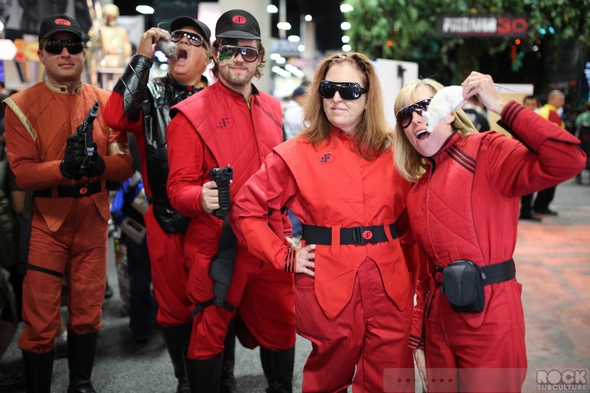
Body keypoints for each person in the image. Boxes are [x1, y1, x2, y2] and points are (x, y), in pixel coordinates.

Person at [231, 52, 418, 392]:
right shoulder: (296, 152)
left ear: (368, 95)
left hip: (390, 285)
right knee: (327, 378)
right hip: (329, 282)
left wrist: (415, 280)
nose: (336, 98)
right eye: (329, 88)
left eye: (349, 90)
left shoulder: (396, 149)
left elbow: (412, 225)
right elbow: (245, 209)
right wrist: (284, 255)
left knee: (392, 380)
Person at [392, 72, 586, 392]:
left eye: (424, 107)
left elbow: (568, 158)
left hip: (491, 318)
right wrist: (419, 337)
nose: (415, 120)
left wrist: (500, 105)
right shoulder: (416, 190)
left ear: (450, 110)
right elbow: (425, 275)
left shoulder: (487, 151)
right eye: (404, 115)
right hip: (438, 323)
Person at [166, 9, 296, 393]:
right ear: (215, 53)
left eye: (249, 51)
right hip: (217, 242)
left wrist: (287, 230)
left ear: (258, 59)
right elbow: (177, 190)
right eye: (229, 50)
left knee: (282, 324)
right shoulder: (188, 116)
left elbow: (283, 176)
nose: (239, 58)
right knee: (208, 330)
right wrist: (199, 197)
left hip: (271, 240)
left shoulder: (272, 108)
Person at [2, 13, 132, 392]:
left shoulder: (107, 103)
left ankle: (81, 382)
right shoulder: (20, 106)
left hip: (92, 218)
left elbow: (124, 166)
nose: (64, 52)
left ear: (83, 52)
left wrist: (99, 164)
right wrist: (65, 167)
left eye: (72, 45)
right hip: (46, 221)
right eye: (55, 45)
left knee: (89, 310)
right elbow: (23, 173)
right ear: (41, 53)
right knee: (40, 316)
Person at [102, 15, 213, 393]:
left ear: (209, 55)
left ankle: (220, 377)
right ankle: (184, 380)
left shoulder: (218, 96)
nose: (181, 41)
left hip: (211, 220)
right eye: (177, 35)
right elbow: (115, 116)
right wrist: (140, 58)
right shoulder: (149, 93)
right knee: (173, 309)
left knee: (215, 304)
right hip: (163, 218)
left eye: (193, 38)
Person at [531, 90, 566, 216]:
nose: (563, 102)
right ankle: (540, 205)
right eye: (560, 99)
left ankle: (541, 205)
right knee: (548, 181)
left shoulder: (552, 112)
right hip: (550, 153)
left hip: (549, 152)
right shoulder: (548, 112)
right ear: (552, 99)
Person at [519, 95, 543, 221]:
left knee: (530, 185)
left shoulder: (537, 120)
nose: (529, 107)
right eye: (527, 104)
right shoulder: (516, 119)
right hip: (519, 156)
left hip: (532, 157)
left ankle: (526, 211)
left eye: (532, 105)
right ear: (523, 104)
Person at [574, 101, 590, 184]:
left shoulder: (581, 116)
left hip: (582, 139)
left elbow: (576, 125)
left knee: (580, 156)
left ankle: (578, 177)